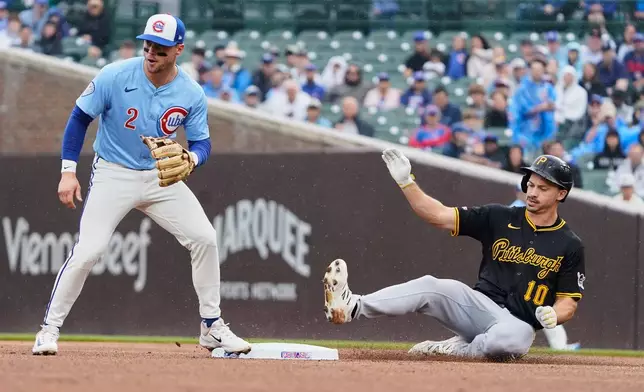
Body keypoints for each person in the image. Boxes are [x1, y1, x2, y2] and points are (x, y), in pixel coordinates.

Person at [31, 14, 251, 356]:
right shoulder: (115, 75)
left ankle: (211, 327)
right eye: (148, 43)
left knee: (205, 238)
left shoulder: (190, 92)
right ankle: (49, 329)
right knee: (89, 250)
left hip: (158, 177)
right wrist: (68, 170)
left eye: (161, 48)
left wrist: (192, 160)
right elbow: (79, 119)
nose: (151, 52)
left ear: (178, 49)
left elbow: (202, 144)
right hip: (113, 173)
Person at [323, 150, 586, 360]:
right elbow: (438, 215)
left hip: (519, 323)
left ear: (561, 193)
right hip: (478, 308)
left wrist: (554, 314)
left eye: (543, 188)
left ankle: (455, 349)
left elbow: (568, 303)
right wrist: (406, 182)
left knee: (509, 340)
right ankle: (352, 306)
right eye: (531, 184)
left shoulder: (569, 243)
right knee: (431, 286)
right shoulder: (499, 217)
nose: (532, 192)